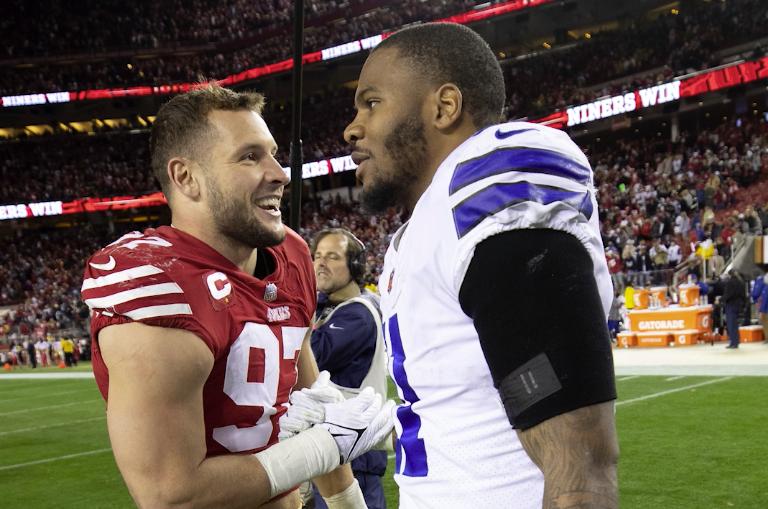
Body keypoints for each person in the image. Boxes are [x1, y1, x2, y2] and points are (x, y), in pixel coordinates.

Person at [336, 22, 619, 509]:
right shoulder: (429, 223)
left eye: (372, 102)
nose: (353, 127)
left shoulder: (493, 177)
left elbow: (581, 466)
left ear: (444, 107)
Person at [80, 84, 393, 509]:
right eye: (250, 156)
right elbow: (171, 494)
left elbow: (312, 406)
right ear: (186, 177)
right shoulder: (161, 283)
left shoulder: (293, 255)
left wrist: (346, 503)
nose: (279, 173)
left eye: (273, 153)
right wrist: (322, 447)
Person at [309, 228, 389, 509]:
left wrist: (303, 303)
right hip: (338, 449)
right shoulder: (339, 309)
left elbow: (312, 355)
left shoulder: (357, 314)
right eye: (317, 256)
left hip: (353, 456)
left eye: (332, 257)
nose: (320, 263)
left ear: (355, 266)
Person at [723, 270, 747, 349]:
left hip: (731, 305)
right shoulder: (741, 282)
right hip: (739, 305)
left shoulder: (730, 282)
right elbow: (744, 294)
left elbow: (729, 295)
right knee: (735, 324)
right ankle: (736, 340)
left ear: (729, 275)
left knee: (731, 324)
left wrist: (720, 300)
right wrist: (744, 305)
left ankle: (734, 342)